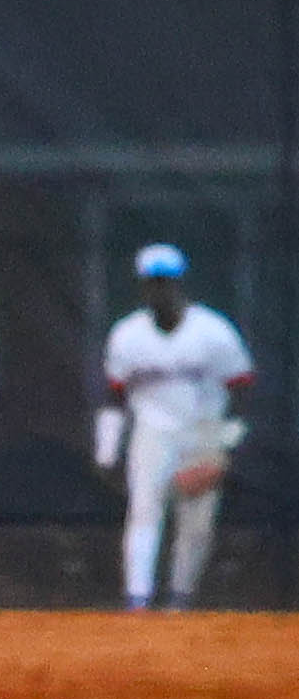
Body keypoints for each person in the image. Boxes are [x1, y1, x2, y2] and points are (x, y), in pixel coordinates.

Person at [98, 243, 249, 613]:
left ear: (180, 284)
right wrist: (106, 454)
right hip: (152, 434)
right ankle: (138, 599)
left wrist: (224, 451)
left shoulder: (214, 331)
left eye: (165, 282)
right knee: (144, 511)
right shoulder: (127, 335)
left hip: (204, 431)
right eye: (152, 283)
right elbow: (115, 396)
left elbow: (242, 388)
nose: (158, 290)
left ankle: (180, 602)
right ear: (142, 287)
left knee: (195, 526)